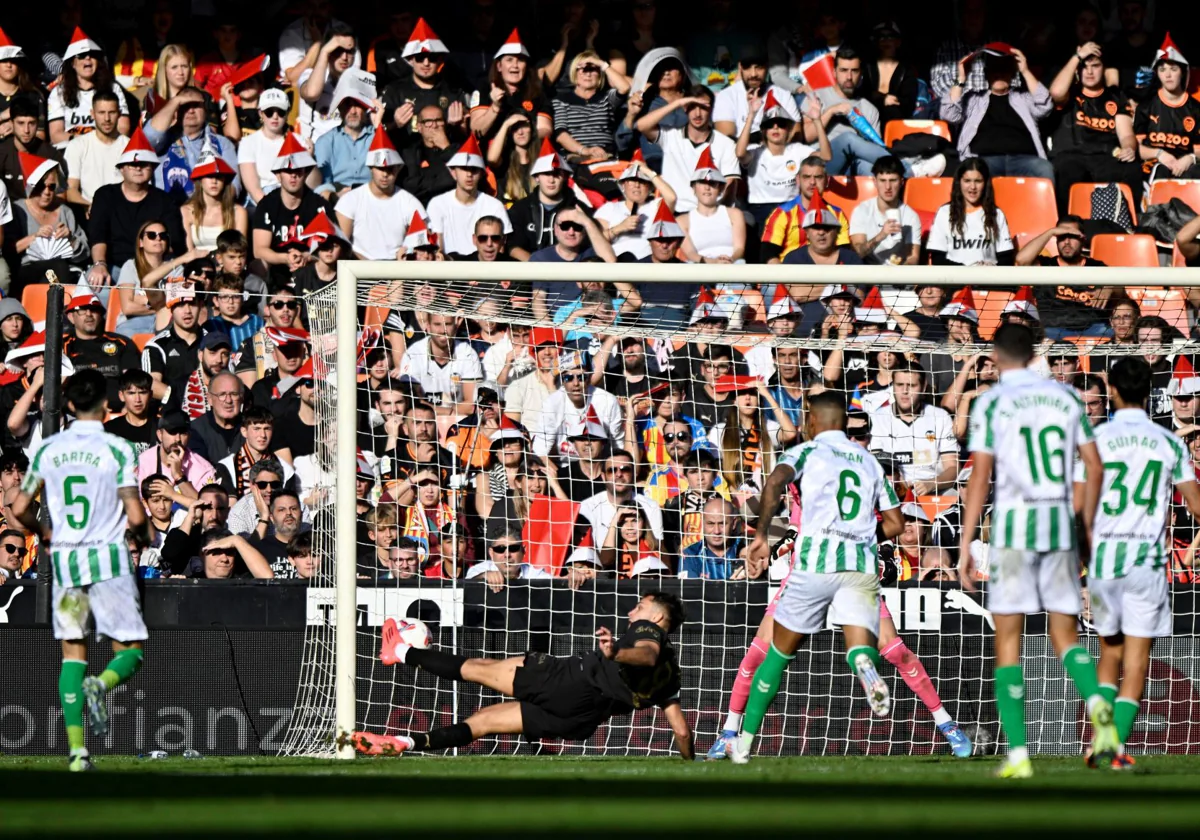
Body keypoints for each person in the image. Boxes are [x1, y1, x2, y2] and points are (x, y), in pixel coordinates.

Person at [958, 322, 1118, 778]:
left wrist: (968, 541)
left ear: (994, 356)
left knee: (1008, 640)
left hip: (1013, 525)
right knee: (1065, 636)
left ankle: (1019, 756)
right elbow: (1093, 463)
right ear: (1033, 354)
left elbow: (980, 475)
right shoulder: (1066, 398)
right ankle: (1097, 705)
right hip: (1058, 522)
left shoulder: (991, 402)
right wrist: (1084, 524)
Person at [727, 391, 905, 764]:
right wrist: (856, 535)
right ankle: (863, 666)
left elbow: (775, 482)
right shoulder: (870, 463)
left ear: (812, 422)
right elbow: (896, 524)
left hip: (813, 566)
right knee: (858, 647)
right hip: (859, 566)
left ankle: (743, 744)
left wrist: (761, 535)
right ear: (843, 423)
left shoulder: (806, 452)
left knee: (777, 655)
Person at [11, 369, 152, 772]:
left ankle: (77, 754)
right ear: (107, 405)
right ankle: (102, 685)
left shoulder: (48, 450)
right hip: (108, 562)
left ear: (69, 405)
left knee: (73, 654)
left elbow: (19, 508)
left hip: (67, 564)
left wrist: (47, 532)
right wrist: (143, 534)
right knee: (130, 653)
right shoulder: (119, 449)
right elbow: (135, 510)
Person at [355, 590, 692, 758]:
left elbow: (646, 655)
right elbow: (682, 732)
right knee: (483, 721)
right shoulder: (672, 676)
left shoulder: (649, 632)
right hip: (580, 719)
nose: (633, 610)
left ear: (658, 617)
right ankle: (405, 742)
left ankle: (399, 651)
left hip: (570, 681)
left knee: (477, 669)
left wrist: (616, 652)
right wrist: (690, 766)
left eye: (642, 604)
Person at [1087, 357, 1200, 767]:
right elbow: (1197, 505)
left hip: (1104, 558)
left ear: (1111, 390)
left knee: (1109, 653)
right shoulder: (1170, 442)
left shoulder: (1095, 438)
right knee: (1137, 660)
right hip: (1149, 562)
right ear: (1149, 390)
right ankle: (1115, 745)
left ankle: (1103, 736)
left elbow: (1081, 505)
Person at [1048, 42, 1141, 213]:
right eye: (1085, 66)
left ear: (1103, 69)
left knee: (1132, 168)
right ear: (1077, 69)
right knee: (1068, 170)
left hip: (1105, 156)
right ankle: (1065, 224)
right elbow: (1055, 93)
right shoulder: (1070, 92)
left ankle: (1128, 226)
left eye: (1095, 66)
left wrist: (1128, 148)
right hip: (1072, 154)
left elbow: (1126, 134)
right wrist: (1077, 57)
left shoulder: (1116, 97)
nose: (1090, 72)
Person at [88, 127, 186, 289]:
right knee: (92, 288)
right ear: (122, 168)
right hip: (112, 267)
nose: (138, 168)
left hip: (153, 269)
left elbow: (174, 242)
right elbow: (98, 236)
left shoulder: (165, 201)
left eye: (144, 164)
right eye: (132, 164)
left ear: (153, 169)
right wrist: (99, 264)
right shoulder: (105, 195)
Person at [941, 43, 1055, 181]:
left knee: (1045, 168)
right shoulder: (973, 99)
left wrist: (1025, 70)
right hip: (983, 160)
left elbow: (1045, 105)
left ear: (1012, 73)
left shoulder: (1023, 98)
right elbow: (949, 114)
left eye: (1004, 69)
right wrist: (961, 79)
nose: (999, 74)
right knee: (969, 171)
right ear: (986, 74)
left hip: (1024, 159)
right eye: (994, 69)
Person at [808, 48, 927, 178]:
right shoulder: (817, 96)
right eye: (843, 71)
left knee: (871, 168)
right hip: (820, 166)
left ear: (861, 74)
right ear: (834, 72)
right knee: (848, 139)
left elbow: (874, 150)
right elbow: (806, 136)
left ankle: (897, 183)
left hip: (851, 167)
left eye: (854, 71)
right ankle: (904, 168)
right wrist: (830, 111)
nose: (849, 77)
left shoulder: (869, 109)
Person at [635, 85, 740, 214]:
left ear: (712, 109)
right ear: (685, 108)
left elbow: (730, 185)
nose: (697, 113)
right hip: (675, 212)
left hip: (710, 212)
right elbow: (641, 125)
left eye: (703, 107)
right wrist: (677, 103)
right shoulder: (671, 137)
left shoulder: (726, 144)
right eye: (692, 106)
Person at [250, 134, 334, 284]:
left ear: (305, 174)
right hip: (277, 270)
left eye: (298, 171)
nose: (293, 176)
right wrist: (285, 258)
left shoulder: (320, 206)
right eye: (288, 171)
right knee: (257, 264)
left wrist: (306, 257)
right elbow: (259, 249)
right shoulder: (267, 205)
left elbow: (332, 249)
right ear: (278, 176)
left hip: (312, 271)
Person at [736, 90, 827, 227]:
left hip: (791, 207)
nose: (776, 128)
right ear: (763, 131)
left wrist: (818, 122)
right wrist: (751, 116)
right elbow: (739, 153)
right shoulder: (756, 153)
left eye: (781, 124)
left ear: (789, 129)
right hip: (761, 209)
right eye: (770, 125)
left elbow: (826, 156)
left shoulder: (798, 150)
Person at [868, 362, 959, 496]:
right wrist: (898, 482)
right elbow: (873, 463)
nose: (905, 391)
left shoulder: (940, 416)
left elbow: (953, 467)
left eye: (911, 385)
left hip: (934, 491)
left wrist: (932, 483)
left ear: (923, 388)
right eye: (899, 385)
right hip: (890, 492)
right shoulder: (877, 418)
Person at [334, 128, 425, 260]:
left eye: (390, 169)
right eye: (380, 168)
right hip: (358, 269)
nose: (385, 174)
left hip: (398, 270)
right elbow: (341, 246)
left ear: (398, 169)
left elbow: (422, 245)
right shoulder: (350, 200)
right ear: (371, 168)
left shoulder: (409, 202)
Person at [9, 153, 90, 297]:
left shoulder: (65, 211)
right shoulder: (18, 210)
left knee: (60, 267)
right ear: (30, 186)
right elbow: (8, 250)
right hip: (27, 270)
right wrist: (33, 237)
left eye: (51, 187)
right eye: (41, 186)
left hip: (63, 271)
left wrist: (71, 240)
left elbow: (84, 254)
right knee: (58, 267)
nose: (46, 192)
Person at [143, 86, 240, 202]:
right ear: (176, 110)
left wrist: (207, 208)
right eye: (185, 106)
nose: (191, 110)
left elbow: (234, 186)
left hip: (210, 213)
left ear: (205, 110)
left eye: (196, 105)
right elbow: (149, 137)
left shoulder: (222, 143)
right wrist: (175, 101)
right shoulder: (163, 140)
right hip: (168, 212)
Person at [380, 18, 467, 142]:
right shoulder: (394, 91)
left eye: (432, 58)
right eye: (420, 57)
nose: (426, 63)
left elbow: (465, 138)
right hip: (406, 160)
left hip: (444, 158)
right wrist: (395, 124)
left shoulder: (454, 92)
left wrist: (456, 127)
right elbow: (379, 136)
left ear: (440, 60)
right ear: (410, 59)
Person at [426, 136, 511, 257]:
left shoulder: (494, 206)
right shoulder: (437, 204)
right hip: (449, 269)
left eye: (474, 170)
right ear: (453, 173)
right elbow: (437, 247)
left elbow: (500, 249)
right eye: (464, 169)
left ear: (481, 174)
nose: (469, 174)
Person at [47, 28, 131, 146]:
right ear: (72, 63)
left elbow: (123, 127)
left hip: (107, 147)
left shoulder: (113, 88)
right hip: (71, 150)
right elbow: (56, 135)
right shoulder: (58, 92)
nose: (87, 58)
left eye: (93, 55)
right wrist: (87, 143)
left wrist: (100, 144)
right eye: (81, 55)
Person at [1134, 35, 1200, 185]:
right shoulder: (1145, 107)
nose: (1168, 75)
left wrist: (1190, 158)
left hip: (1186, 167)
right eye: (1162, 69)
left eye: (1173, 69)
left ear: (1182, 72)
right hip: (1154, 166)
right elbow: (1135, 148)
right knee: (1160, 173)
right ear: (1157, 73)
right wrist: (1158, 154)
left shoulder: (1196, 109)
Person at [468, 29, 553, 145]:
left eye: (520, 60)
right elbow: (477, 131)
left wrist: (522, 136)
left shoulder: (537, 91)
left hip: (527, 154)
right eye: (509, 60)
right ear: (499, 66)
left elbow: (546, 129)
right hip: (491, 156)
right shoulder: (485, 88)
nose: (515, 65)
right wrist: (495, 107)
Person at [760, 155, 849, 264]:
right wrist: (786, 279)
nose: (812, 182)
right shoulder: (782, 213)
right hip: (789, 275)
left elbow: (844, 254)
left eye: (818, 177)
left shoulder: (837, 215)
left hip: (826, 275)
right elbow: (768, 254)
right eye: (806, 177)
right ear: (798, 180)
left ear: (827, 180)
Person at [926, 158, 1014, 267]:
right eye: (967, 181)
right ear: (959, 182)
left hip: (987, 281)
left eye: (978, 181)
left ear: (985, 183)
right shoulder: (944, 212)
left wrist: (992, 268)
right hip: (954, 280)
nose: (973, 187)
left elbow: (1006, 258)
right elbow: (937, 259)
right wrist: (967, 271)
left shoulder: (997, 214)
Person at [594, 157, 677, 261]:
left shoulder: (655, 205)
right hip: (616, 262)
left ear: (650, 188)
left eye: (642, 182)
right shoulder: (609, 208)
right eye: (632, 181)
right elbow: (595, 240)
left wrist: (648, 172)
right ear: (623, 185)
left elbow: (672, 197)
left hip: (647, 263)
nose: (637, 185)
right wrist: (619, 228)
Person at [551, 50, 629, 161]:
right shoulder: (561, 100)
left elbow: (624, 87)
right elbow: (560, 135)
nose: (588, 74)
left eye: (593, 69)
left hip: (605, 154)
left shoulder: (607, 97)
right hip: (576, 155)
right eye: (583, 69)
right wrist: (585, 150)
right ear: (575, 72)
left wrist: (602, 64)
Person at [62, 90, 129, 211]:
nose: (107, 118)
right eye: (101, 113)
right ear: (92, 114)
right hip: (90, 213)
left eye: (112, 112)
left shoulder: (130, 146)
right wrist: (90, 206)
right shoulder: (77, 145)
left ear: (119, 113)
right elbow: (71, 190)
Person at [849, 156, 921, 265]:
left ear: (901, 182)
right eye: (882, 181)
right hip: (868, 275)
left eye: (893, 180)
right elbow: (857, 253)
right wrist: (881, 235)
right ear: (875, 182)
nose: (888, 187)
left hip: (899, 276)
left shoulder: (910, 216)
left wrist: (896, 275)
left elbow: (913, 258)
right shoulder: (862, 211)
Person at [678, 149, 744, 264]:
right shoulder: (682, 221)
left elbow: (739, 248)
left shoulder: (735, 214)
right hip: (700, 269)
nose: (707, 188)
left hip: (731, 266)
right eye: (702, 183)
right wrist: (714, 262)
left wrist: (730, 260)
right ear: (694, 187)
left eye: (712, 184)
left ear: (720, 189)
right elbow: (691, 254)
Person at [181, 153, 248, 253]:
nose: (214, 181)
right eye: (209, 176)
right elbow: (188, 252)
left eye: (219, 177)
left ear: (225, 180)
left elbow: (239, 251)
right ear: (200, 180)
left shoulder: (238, 212)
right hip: (197, 265)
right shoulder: (186, 211)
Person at [236, 88, 292, 205]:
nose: (275, 117)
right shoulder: (248, 142)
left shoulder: (297, 140)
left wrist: (308, 156)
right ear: (261, 113)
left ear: (287, 114)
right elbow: (253, 188)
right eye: (269, 112)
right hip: (261, 199)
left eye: (280, 112)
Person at [781, 192, 863, 266]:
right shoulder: (793, 260)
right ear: (807, 233)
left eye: (826, 227)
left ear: (836, 232)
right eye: (816, 228)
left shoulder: (851, 259)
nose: (821, 232)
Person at [401, 104, 457, 206]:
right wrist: (447, 180)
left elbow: (462, 176)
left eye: (439, 120)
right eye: (428, 122)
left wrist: (446, 147)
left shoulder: (457, 149)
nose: (434, 125)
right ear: (419, 127)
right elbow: (412, 185)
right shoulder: (411, 152)